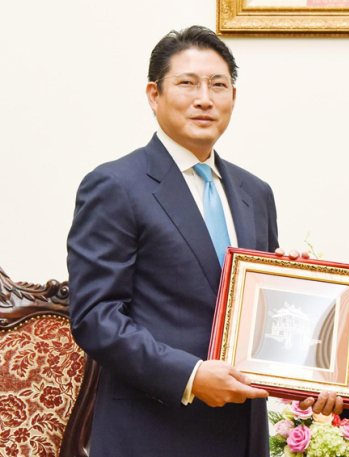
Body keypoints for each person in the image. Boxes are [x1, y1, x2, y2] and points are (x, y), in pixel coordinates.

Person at [67, 26, 293, 457]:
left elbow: (258, 310)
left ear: (233, 97)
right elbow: (95, 317)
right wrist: (190, 375)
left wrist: (293, 282)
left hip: (242, 433)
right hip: (153, 429)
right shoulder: (115, 185)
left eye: (218, 85)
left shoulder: (255, 192)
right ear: (154, 95)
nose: (204, 98)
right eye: (187, 83)